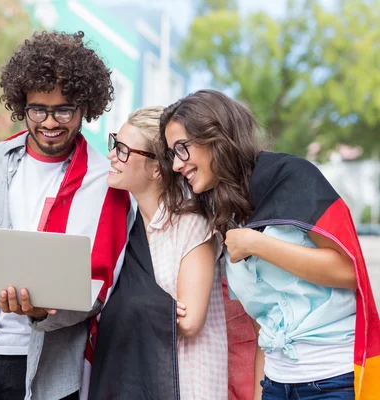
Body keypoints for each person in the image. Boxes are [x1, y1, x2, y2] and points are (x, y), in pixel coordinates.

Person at [0, 31, 132, 400]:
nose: (50, 122)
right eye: (38, 109)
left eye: (64, 110)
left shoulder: (107, 184)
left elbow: (98, 291)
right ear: (22, 105)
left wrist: (40, 311)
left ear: (86, 107)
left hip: (48, 377)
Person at [158, 89, 380, 400]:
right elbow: (262, 324)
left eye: (182, 149)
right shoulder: (225, 215)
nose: (178, 165)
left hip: (332, 379)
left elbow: (348, 270)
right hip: (275, 383)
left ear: (216, 136)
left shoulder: (293, 177)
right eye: (171, 155)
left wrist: (256, 244)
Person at [88, 107, 227, 399]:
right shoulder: (126, 227)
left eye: (124, 150)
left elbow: (190, 322)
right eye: (115, 144)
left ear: (156, 168)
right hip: (137, 378)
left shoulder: (192, 225)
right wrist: (157, 305)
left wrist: (141, 303)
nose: (112, 156)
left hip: (186, 382)